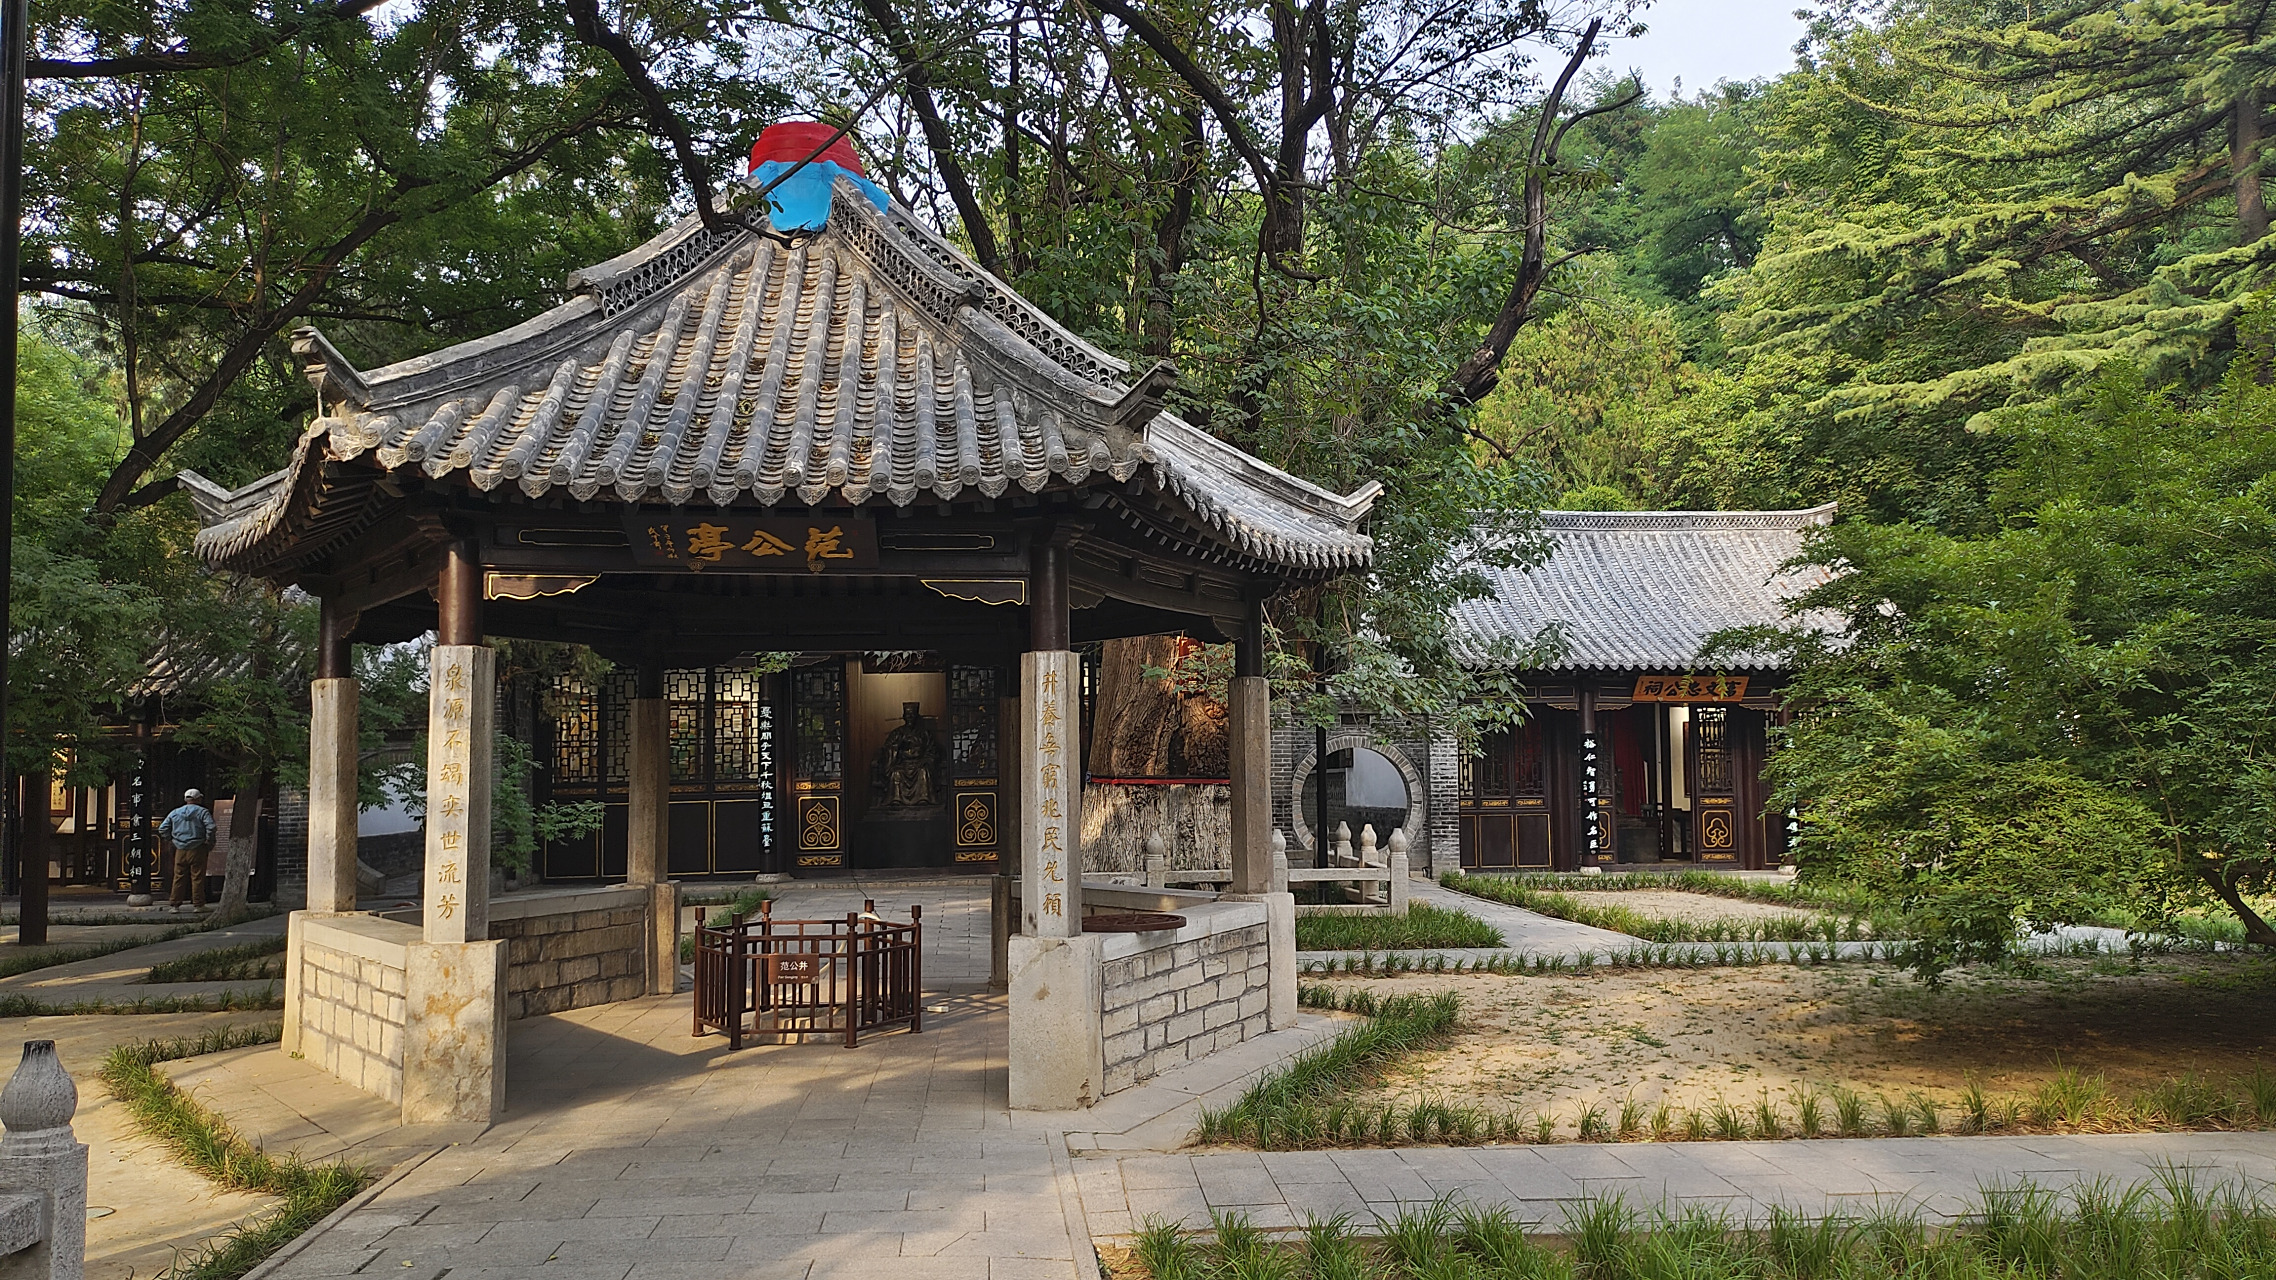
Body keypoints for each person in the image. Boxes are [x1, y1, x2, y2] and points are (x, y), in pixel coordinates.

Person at [161, 789, 217, 913]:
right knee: (197, 877)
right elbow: (211, 827)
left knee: (178, 876)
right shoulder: (203, 812)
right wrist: (208, 840)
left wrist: (171, 840)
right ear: (197, 799)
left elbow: (163, 828)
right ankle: (198, 905)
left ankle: (175, 905)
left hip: (180, 848)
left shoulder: (175, 812)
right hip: (198, 847)